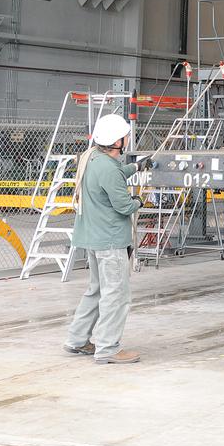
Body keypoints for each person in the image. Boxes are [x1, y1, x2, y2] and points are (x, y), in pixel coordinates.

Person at [64, 114, 143, 365]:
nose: (128, 139)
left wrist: (139, 166)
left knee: (96, 291)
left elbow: (115, 173)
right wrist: (139, 201)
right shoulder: (108, 168)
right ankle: (108, 348)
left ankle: (77, 340)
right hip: (110, 241)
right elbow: (123, 206)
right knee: (116, 295)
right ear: (117, 141)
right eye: (125, 136)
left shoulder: (92, 158)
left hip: (92, 237)